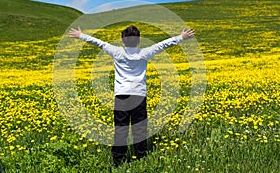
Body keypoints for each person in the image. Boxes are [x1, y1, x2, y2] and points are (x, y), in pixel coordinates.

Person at [68, 25, 194, 167]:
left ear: (122, 40)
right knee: (139, 129)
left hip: (121, 96)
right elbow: (162, 45)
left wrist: (81, 35)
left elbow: (98, 42)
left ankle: (117, 161)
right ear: (138, 41)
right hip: (139, 96)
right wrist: (181, 37)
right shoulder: (144, 53)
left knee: (120, 129)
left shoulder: (116, 52)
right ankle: (141, 159)